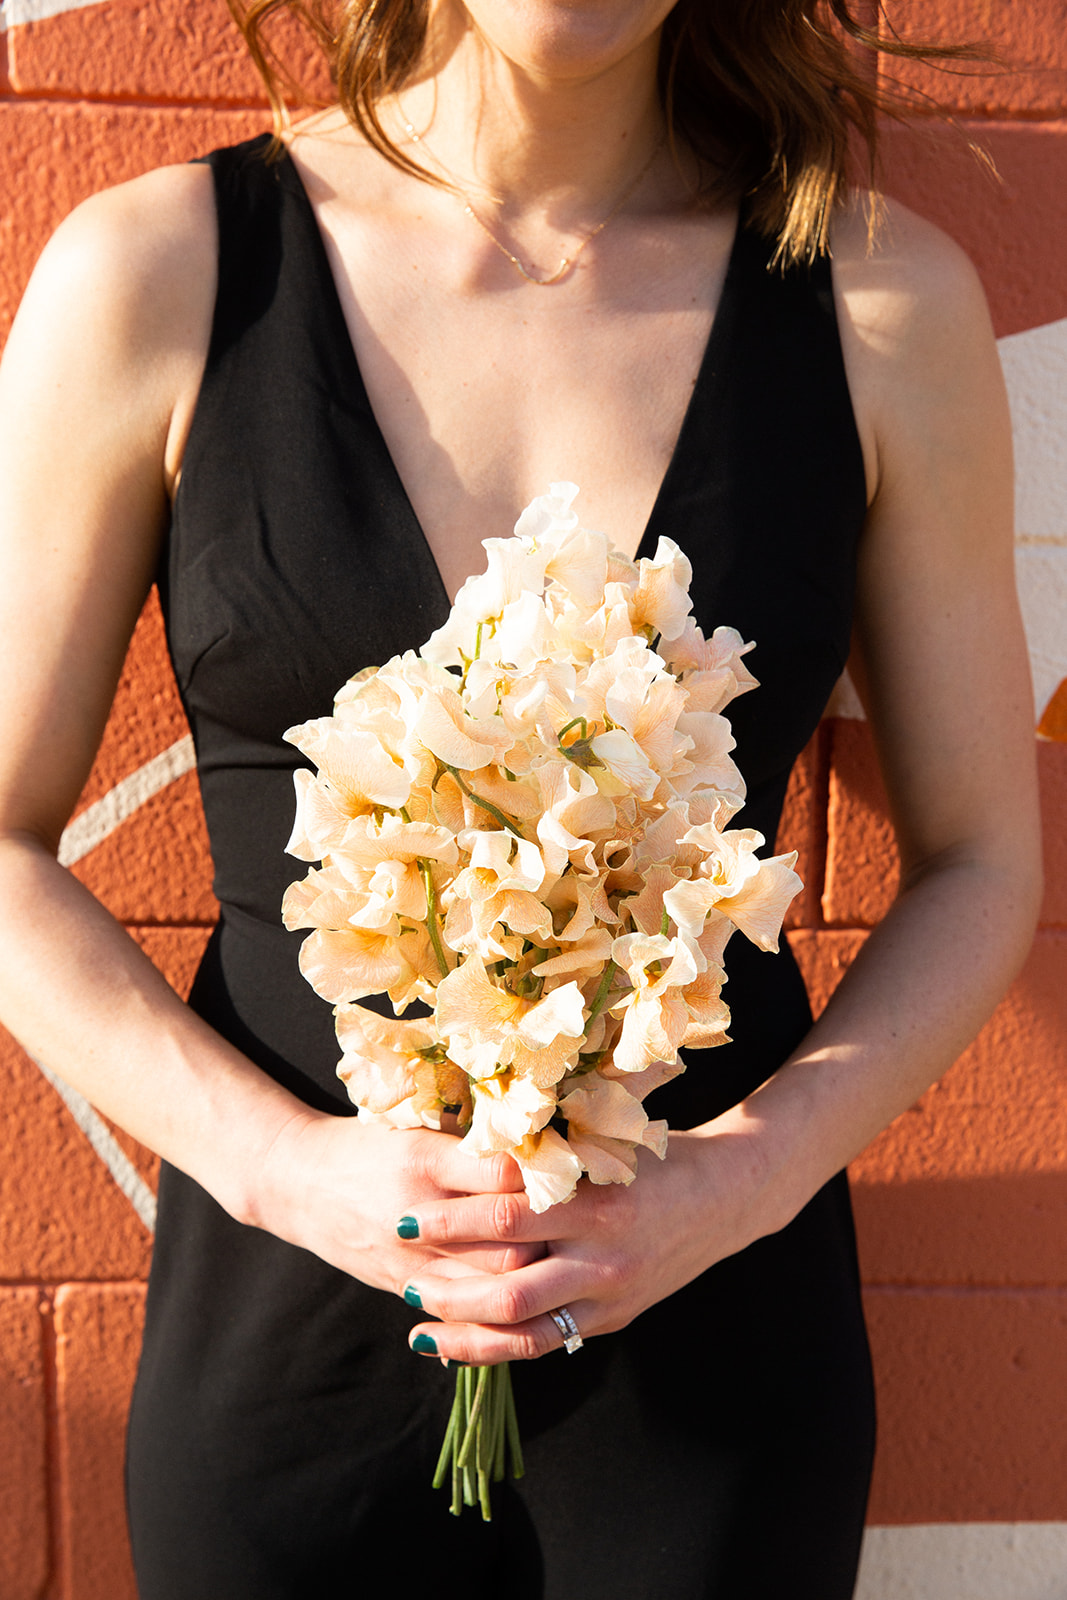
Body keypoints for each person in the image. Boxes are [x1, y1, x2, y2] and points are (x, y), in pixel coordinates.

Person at [0, 2, 1042, 1596]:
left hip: (710, 1355)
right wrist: (291, 1174)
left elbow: (978, 859)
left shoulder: (876, 303)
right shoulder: (159, 271)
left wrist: (739, 1183)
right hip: (282, 1358)